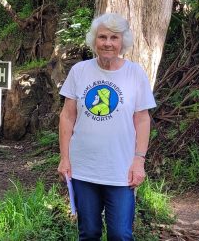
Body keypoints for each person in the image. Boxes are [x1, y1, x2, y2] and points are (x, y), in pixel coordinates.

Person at [57, 13, 156, 241]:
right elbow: (67, 116)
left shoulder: (135, 73)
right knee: (89, 233)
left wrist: (138, 160)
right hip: (84, 169)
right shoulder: (79, 71)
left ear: (123, 42)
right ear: (94, 40)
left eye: (114, 37)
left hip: (121, 170)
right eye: (102, 37)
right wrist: (65, 158)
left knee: (120, 234)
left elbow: (142, 119)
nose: (108, 43)